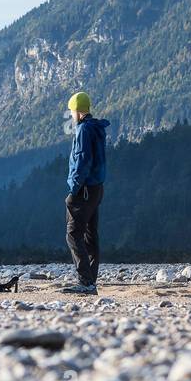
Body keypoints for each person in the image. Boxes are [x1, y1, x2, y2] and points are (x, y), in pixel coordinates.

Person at [63, 91, 108, 295]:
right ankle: (91, 281)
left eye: (72, 110)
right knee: (90, 235)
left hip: (84, 189)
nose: (71, 114)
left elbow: (82, 161)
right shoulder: (97, 128)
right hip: (97, 188)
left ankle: (85, 282)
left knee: (73, 234)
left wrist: (73, 188)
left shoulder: (83, 130)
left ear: (78, 111)